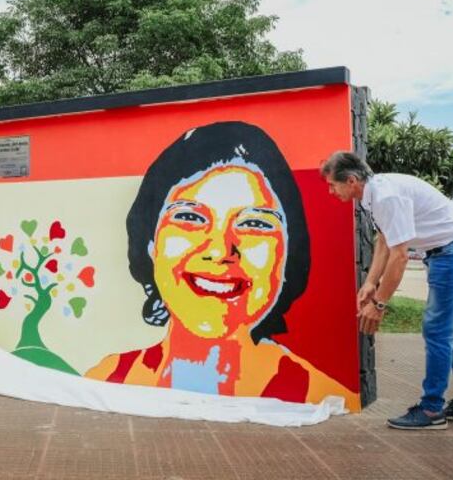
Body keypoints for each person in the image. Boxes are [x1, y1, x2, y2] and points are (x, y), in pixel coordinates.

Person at [87, 122, 357, 409]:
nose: (220, 251)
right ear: (151, 245)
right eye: (189, 219)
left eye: (254, 224)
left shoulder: (322, 397)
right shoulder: (108, 376)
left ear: (287, 254)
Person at [321, 151, 453, 430]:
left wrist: (380, 304)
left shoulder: (386, 197)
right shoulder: (373, 194)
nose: (330, 191)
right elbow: (384, 240)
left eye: (332, 185)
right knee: (451, 328)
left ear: (350, 181)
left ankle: (432, 410)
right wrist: (370, 283)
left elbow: (399, 255)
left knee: (437, 330)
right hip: (447, 252)